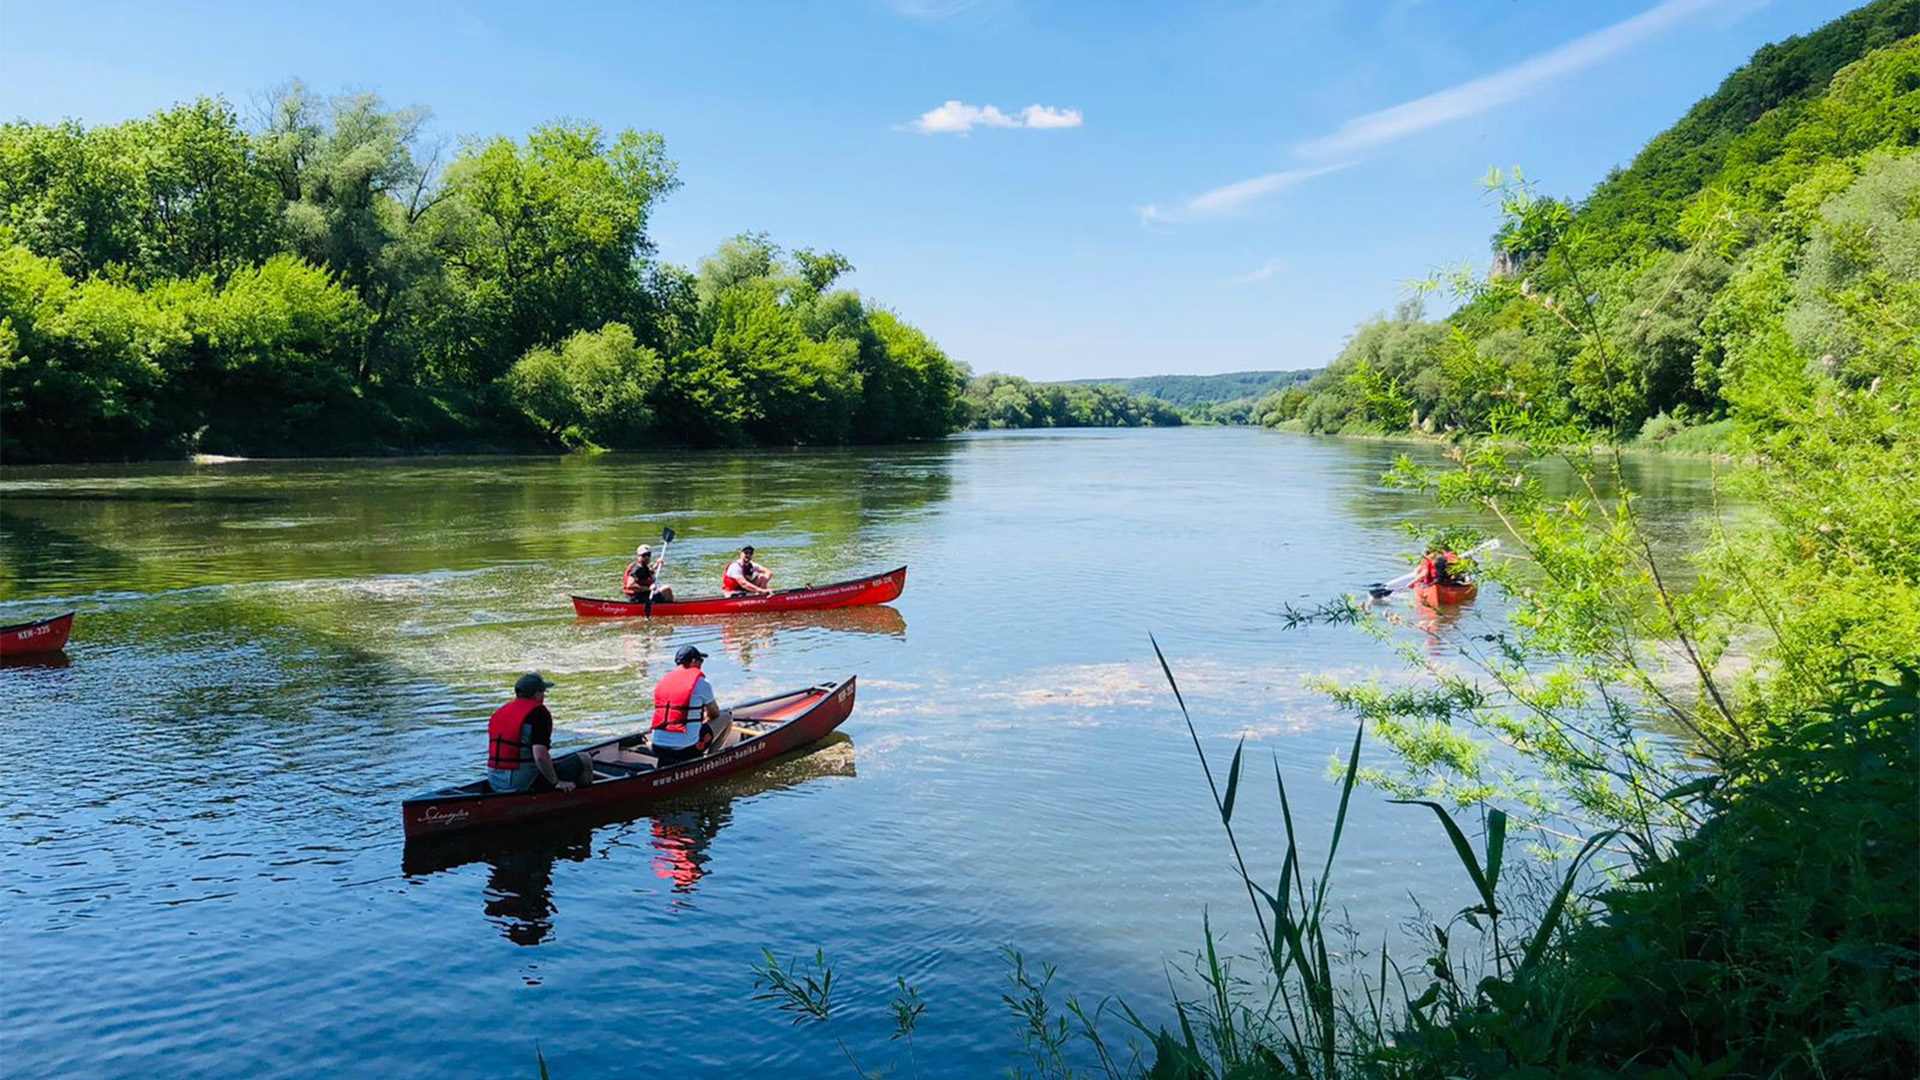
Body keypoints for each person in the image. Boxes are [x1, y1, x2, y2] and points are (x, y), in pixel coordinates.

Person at [486, 672, 597, 794]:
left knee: (550, 762)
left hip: (494, 780)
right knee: (585, 759)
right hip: (521, 782)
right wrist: (556, 782)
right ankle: (583, 798)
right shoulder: (538, 713)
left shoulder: (500, 712)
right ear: (536, 695)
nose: (544, 696)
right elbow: (540, 756)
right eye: (543, 692)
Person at [650, 645, 734, 764]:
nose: (702, 665)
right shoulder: (701, 683)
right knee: (726, 717)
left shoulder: (663, 681)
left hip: (658, 748)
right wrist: (704, 718)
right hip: (685, 750)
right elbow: (714, 713)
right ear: (694, 662)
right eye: (701, 661)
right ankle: (711, 761)